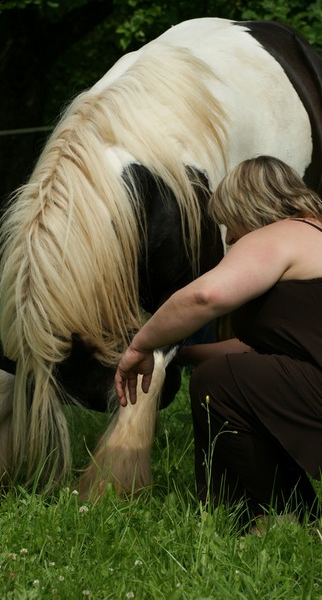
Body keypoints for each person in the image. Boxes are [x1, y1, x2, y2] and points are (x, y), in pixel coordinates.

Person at [115, 155, 322, 523]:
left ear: (250, 207)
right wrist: (176, 353)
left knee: (218, 382)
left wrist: (139, 346)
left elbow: (204, 297)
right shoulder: (312, 235)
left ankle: (272, 516)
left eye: (230, 223)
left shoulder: (279, 233)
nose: (228, 238)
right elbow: (262, 353)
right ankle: (288, 513)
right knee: (236, 374)